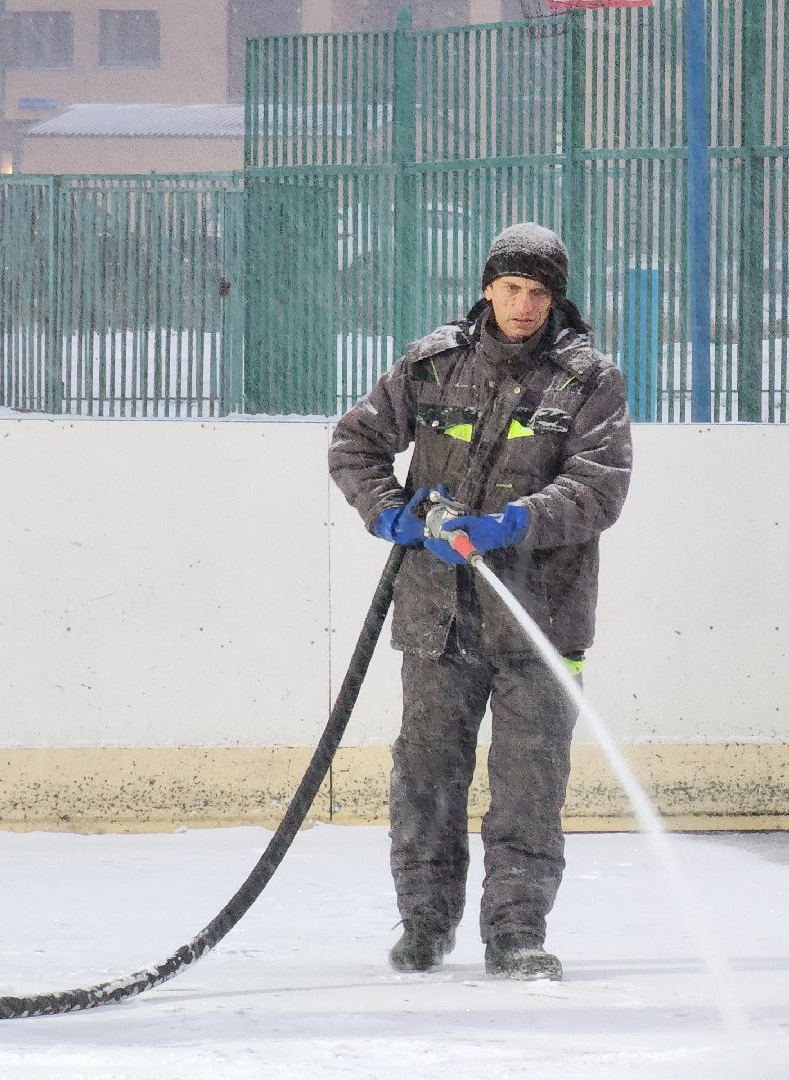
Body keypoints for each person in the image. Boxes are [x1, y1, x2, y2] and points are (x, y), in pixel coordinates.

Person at [329, 223, 633, 981]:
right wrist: (390, 512)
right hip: (437, 616)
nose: (524, 305)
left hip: (543, 619)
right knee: (427, 773)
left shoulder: (589, 381)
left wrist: (516, 521)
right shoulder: (434, 365)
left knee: (530, 782)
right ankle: (426, 925)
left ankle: (516, 931)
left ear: (557, 299)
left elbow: (600, 486)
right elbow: (354, 445)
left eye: (539, 292)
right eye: (511, 288)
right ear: (487, 287)